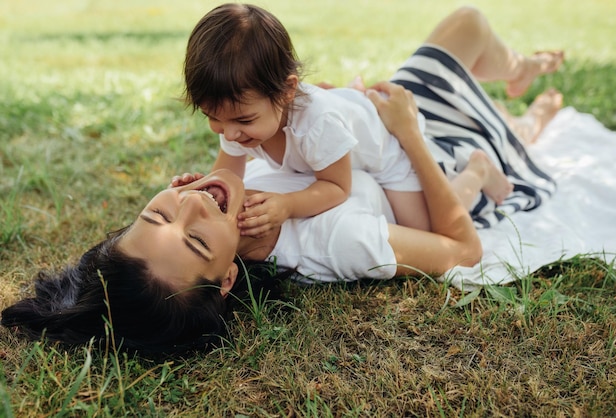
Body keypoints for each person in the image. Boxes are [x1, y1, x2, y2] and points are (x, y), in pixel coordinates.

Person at [1, 6, 564, 353]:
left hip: (368, 125)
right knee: (470, 31)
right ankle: (507, 129)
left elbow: (277, 147)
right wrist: (410, 132)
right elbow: (463, 250)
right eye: (195, 239)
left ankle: (524, 78)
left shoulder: (245, 156)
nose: (191, 205)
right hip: (421, 153)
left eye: (158, 212)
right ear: (225, 281)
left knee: (467, 27)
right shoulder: (340, 242)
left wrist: (342, 113)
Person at [184, 3, 561, 235]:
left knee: (426, 227)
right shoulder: (235, 116)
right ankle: (519, 94)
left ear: (286, 91)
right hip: (359, 113)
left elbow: (335, 188)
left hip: (392, 149)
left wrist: (288, 206)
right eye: (212, 118)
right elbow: (228, 177)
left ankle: (477, 170)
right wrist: (195, 191)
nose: (228, 133)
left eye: (242, 121)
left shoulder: (316, 124)